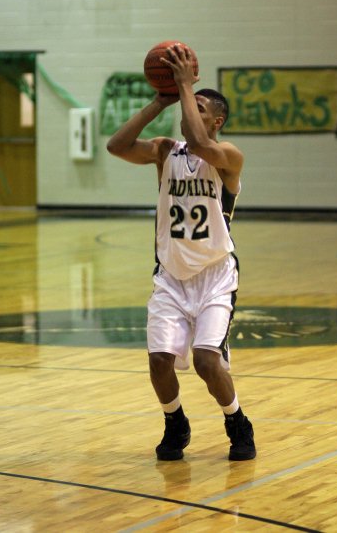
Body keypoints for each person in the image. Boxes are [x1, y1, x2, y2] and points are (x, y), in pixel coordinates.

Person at [107, 44, 256, 461]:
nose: (191, 106)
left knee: (208, 363)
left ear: (217, 120)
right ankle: (176, 421)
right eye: (192, 100)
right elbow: (116, 146)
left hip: (215, 276)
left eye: (201, 104)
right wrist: (159, 100)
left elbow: (200, 140)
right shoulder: (164, 151)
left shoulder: (227, 156)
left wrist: (187, 85)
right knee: (159, 362)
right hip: (171, 276)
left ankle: (236, 420)